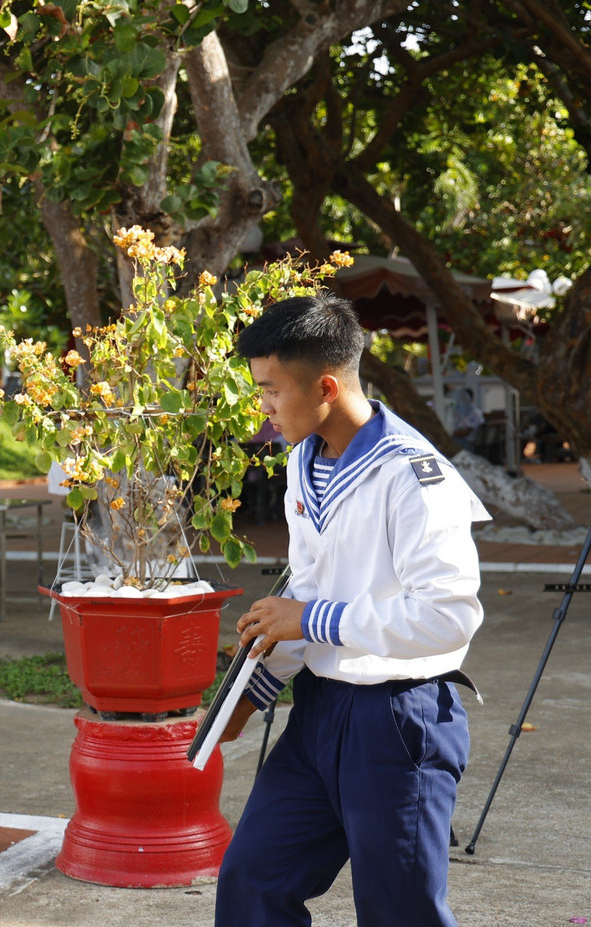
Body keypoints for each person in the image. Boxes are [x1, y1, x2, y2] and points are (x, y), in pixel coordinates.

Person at [216, 293, 489, 926]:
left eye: (271, 389)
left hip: (398, 720)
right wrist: (248, 696)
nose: (262, 407)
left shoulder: (415, 477)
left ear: (328, 386)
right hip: (318, 714)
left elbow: (449, 617)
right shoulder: (302, 464)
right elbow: (306, 592)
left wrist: (308, 619)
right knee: (253, 880)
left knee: (400, 911)